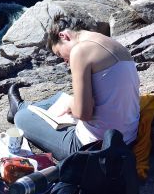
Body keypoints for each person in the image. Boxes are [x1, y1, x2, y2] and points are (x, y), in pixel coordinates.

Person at [9, 14, 140, 160]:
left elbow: (83, 114)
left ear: (63, 36)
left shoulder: (80, 50)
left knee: (21, 118)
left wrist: (74, 105)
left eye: (60, 54)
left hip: (94, 148)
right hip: (128, 138)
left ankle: (20, 109)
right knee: (61, 97)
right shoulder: (111, 42)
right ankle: (24, 106)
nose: (65, 61)